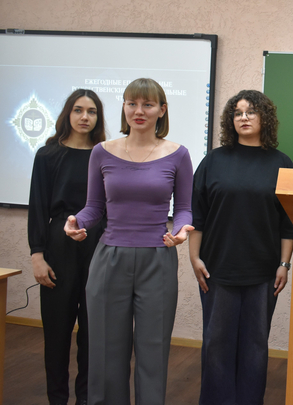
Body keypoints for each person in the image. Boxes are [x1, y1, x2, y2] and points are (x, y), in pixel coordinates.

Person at [64, 78, 194, 405]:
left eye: (147, 104)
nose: (139, 111)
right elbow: (94, 208)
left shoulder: (178, 154)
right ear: (123, 107)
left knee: (153, 350)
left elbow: (183, 208)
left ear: (162, 110)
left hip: (158, 259)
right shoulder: (101, 152)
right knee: (105, 351)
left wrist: (182, 230)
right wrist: (77, 222)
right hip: (109, 258)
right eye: (132, 103)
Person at [190, 90, 293, 405]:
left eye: (251, 112)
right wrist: (194, 257)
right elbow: (198, 215)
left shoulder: (282, 163)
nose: (244, 117)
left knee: (254, 347)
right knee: (216, 345)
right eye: (237, 113)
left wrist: (284, 264)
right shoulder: (213, 161)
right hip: (217, 269)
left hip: (263, 271)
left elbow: (288, 222)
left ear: (265, 118)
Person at [28, 89, 106, 405]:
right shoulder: (47, 155)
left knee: (92, 333)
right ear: (67, 114)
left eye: (92, 111)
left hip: (98, 245)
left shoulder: (106, 155)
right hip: (58, 246)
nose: (85, 117)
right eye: (78, 110)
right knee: (57, 333)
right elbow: (37, 207)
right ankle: (57, 399)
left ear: (99, 117)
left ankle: (85, 398)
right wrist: (37, 255)